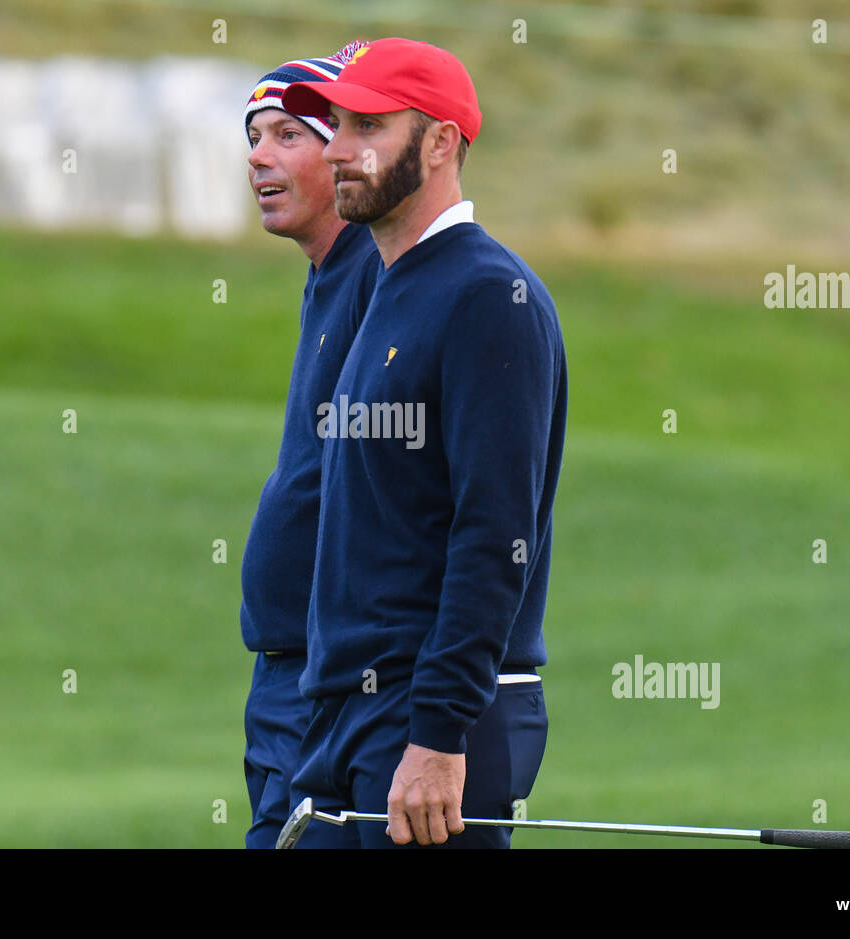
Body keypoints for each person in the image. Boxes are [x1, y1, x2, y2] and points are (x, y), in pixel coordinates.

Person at [281, 37, 567, 848]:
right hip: (346, 711)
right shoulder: (388, 286)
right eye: (335, 123)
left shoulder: (488, 296)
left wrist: (439, 734)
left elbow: (496, 532)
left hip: (436, 720)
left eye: (367, 125)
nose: (337, 147)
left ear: (441, 141)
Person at [238, 43, 381, 849]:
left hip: (333, 683)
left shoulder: (378, 267)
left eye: (289, 133)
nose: (258, 155)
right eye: (254, 136)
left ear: (348, 154)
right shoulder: (328, 271)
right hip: (291, 671)